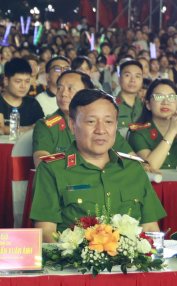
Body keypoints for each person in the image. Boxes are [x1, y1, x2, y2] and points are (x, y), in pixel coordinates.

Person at [29, 89, 166, 243]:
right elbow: (46, 234)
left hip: (132, 265)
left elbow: (150, 230)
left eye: (108, 122)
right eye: (91, 122)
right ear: (72, 125)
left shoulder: (134, 169)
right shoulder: (51, 169)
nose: (101, 130)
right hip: (73, 265)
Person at [31, 70, 133, 164]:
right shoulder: (46, 126)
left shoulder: (104, 126)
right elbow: (42, 164)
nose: (63, 94)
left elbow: (132, 158)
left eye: (70, 89)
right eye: (59, 88)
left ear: (87, 93)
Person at [128, 78, 177, 170]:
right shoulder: (138, 133)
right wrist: (171, 132)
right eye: (159, 97)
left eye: (172, 97)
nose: (166, 102)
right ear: (148, 104)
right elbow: (150, 167)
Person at [0, 57, 43, 129]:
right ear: (6, 81)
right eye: (18, 81)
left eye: (27, 81)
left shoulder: (33, 104)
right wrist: (28, 128)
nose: (23, 86)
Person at [115, 59, 145, 129]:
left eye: (137, 76)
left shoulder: (146, 107)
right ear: (119, 79)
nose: (132, 80)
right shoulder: (111, 106)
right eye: (127, 75)